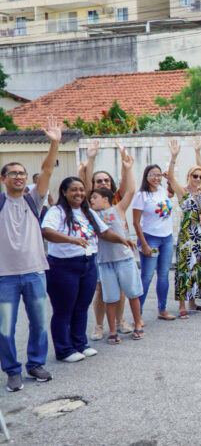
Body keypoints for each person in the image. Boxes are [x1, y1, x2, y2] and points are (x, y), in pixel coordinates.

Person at [42, 177, 136, 363]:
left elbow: (104, 232)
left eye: (81, 190)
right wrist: (71, 240)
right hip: (63, 266)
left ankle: (80, 343)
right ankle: (64, 350)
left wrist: (123, 239)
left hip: (88, 263)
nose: (79, 193)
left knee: (81, 307)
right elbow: (47, 231)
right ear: (64, 192)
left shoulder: (87, 212)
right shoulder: (57, 211)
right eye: (73, 190)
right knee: (63, 309)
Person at [0, 115, 60, 391]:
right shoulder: (1, 202)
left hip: (35, 272)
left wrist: (55, 144)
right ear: (3, 178)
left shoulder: (33, 198)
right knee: (5, 329)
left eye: (22, 173)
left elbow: (46, 171)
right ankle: (12, 371)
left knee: (39, 323)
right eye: (13, 173)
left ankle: (35, 364)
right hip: (5, 277)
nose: (19, 177)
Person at [89, 145, 145, 343]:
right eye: (91, 197)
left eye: (95, 198)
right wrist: (90, 160)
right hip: (104, 261)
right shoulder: (91, 214)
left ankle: (137, 324)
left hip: (124, 259)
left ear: (106, 198)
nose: (92, 200)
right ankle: (111, 330)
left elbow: (130, 190)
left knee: (132, 293)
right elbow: (88, 185)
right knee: (109, 297)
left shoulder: (118, 208)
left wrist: (128, 167)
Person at [79, 140, 134, 340]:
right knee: (101, 288)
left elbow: (128, 186)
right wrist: (91, 158)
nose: (103, 184)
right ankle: (99, 325)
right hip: (100, 251)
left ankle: (120, 321)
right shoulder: (91, 204)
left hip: (120, 250)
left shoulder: (116, 201)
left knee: (120, 288)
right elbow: (85, 186)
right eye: (99, 181)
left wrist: (125, 162)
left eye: (106, 181)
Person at [165, 139, 201, 318]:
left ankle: (193, 301)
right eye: (194, 176)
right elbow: (171, 177)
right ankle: (182, 304)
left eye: (200, 176)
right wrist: (174, 157)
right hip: (188, 237)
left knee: (199, 267)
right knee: (185, 268)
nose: (198, 179)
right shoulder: (182, 191)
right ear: (189, 177)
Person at [132, 163, 175, 320]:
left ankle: (162, 310)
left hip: (167, 238)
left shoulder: (163, 191)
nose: (156, 178)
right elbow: (136, 222)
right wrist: (144, 244)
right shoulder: (141, 195)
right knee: (147, 276)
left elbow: (172, 192)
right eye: (152, 175)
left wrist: (169, 179)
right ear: (146, 177)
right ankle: (139, 314)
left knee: (163, 275)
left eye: (158, 175)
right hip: (150, 238)